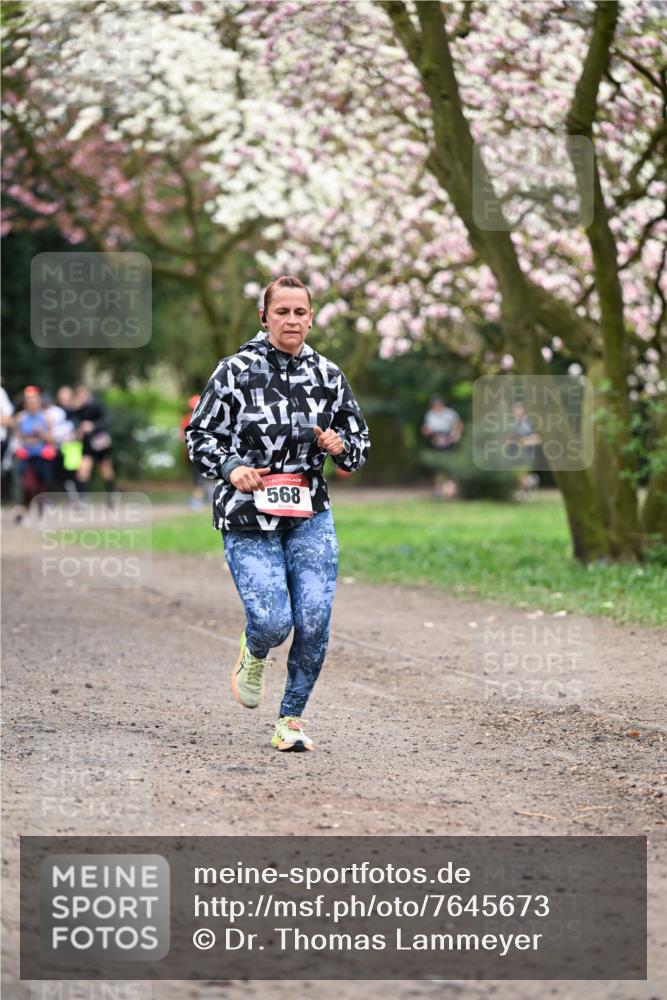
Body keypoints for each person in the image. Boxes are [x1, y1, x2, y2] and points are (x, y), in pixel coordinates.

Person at [186, 274, 370, 752]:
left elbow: (359, 447)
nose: (292, 320)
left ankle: (290, 718)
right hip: (248, 516)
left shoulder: (328, 376)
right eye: (282, 311)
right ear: (264, 316)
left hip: (309, 512)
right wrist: (231, 467)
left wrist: (340, 445)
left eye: (301, 312)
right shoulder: (235, 371)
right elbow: (199, 436)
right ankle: (255, 648)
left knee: (313, 621)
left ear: (311, 317)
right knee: (272, 621)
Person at [13, 386, 57, 519]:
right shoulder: (20, 417)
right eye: (29, 401)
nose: (31, 404)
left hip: (42, 456)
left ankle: (40, 509)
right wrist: (22, 442)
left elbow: (52, 439)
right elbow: (17, 437)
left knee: (42, 485)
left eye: (34, 401)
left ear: (39, 402)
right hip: (27, 456)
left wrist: (42, 434)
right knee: (27, 485)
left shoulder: (46, 417)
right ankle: (25, 507)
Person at [69, 384, 116, 502]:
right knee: (83, 470)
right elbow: (72, 422)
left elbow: (108, 419)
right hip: (87, 443)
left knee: (106, 470)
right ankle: (83, 499)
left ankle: (112, 494)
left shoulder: (97, 405)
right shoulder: (76, 409)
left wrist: (93, 426)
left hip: (100, 442)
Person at [421, 396, 463, 499]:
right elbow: (427, 429)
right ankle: (439, 490)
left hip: (449, 440)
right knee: (439, 468)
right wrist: (427, 432)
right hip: (437, 442)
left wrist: (455, 436)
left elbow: (458, 424)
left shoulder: (449, 413)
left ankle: (453, 490)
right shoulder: (430, 414)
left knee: (451, 466)